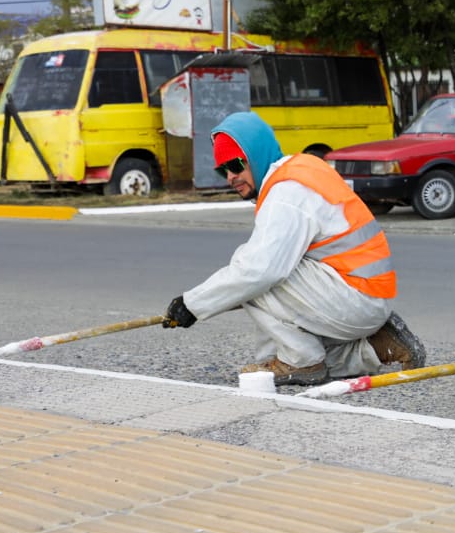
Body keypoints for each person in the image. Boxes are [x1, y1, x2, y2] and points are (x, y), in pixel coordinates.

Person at [162, 111, 425, 386]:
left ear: (255, 154)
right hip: (360, 296)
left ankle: (299, 362)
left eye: (236, 165)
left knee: (251, 270)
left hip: (354, 298)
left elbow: (258, 272)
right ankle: (375, 350)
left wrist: (192, 304)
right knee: (259, 277)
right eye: (222, 169)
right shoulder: (300, 170)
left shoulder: (286, 194)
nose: (230, 176)